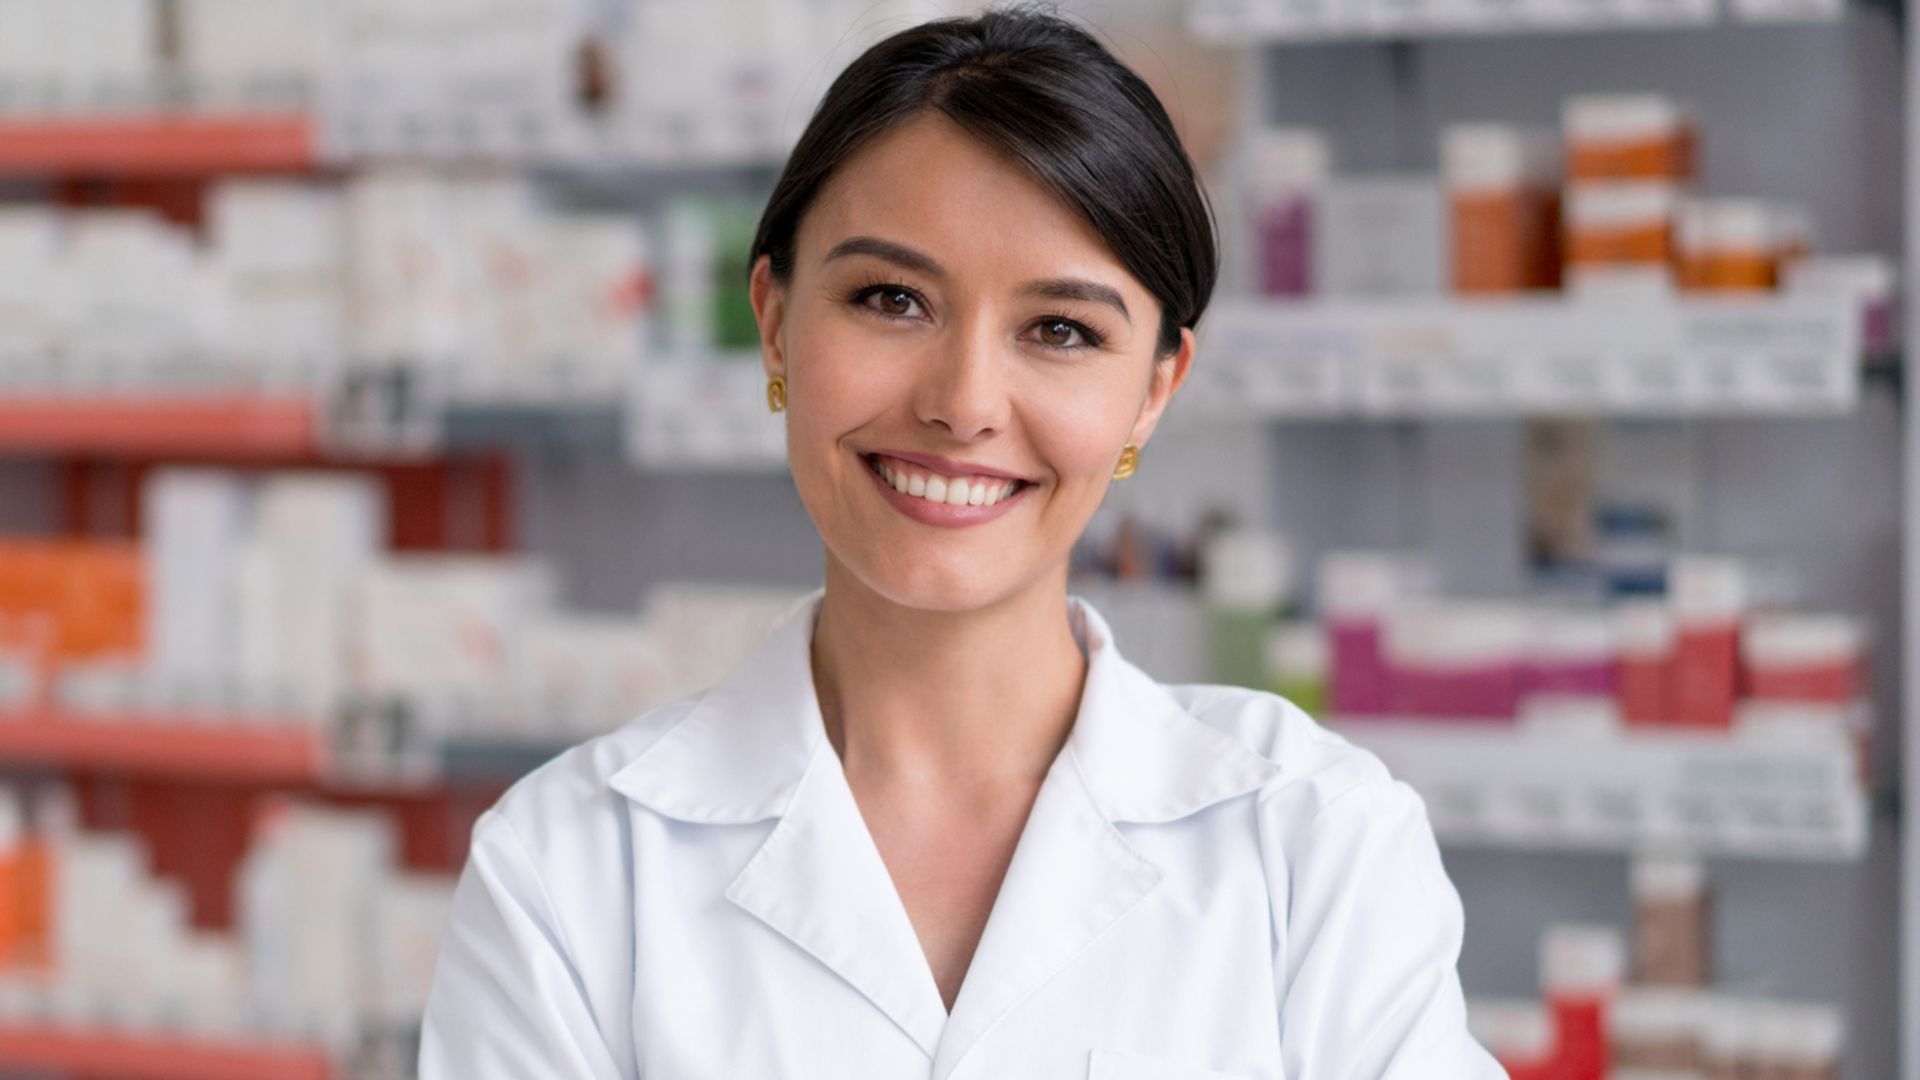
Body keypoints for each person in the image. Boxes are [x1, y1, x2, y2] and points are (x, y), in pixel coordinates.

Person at [419, 8, 1503, 1078]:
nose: (965, 402)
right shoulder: (571, 873)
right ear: (776, 321)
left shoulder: (1314, 846)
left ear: (1153, 391)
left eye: (1062, 330)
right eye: (892, 300)